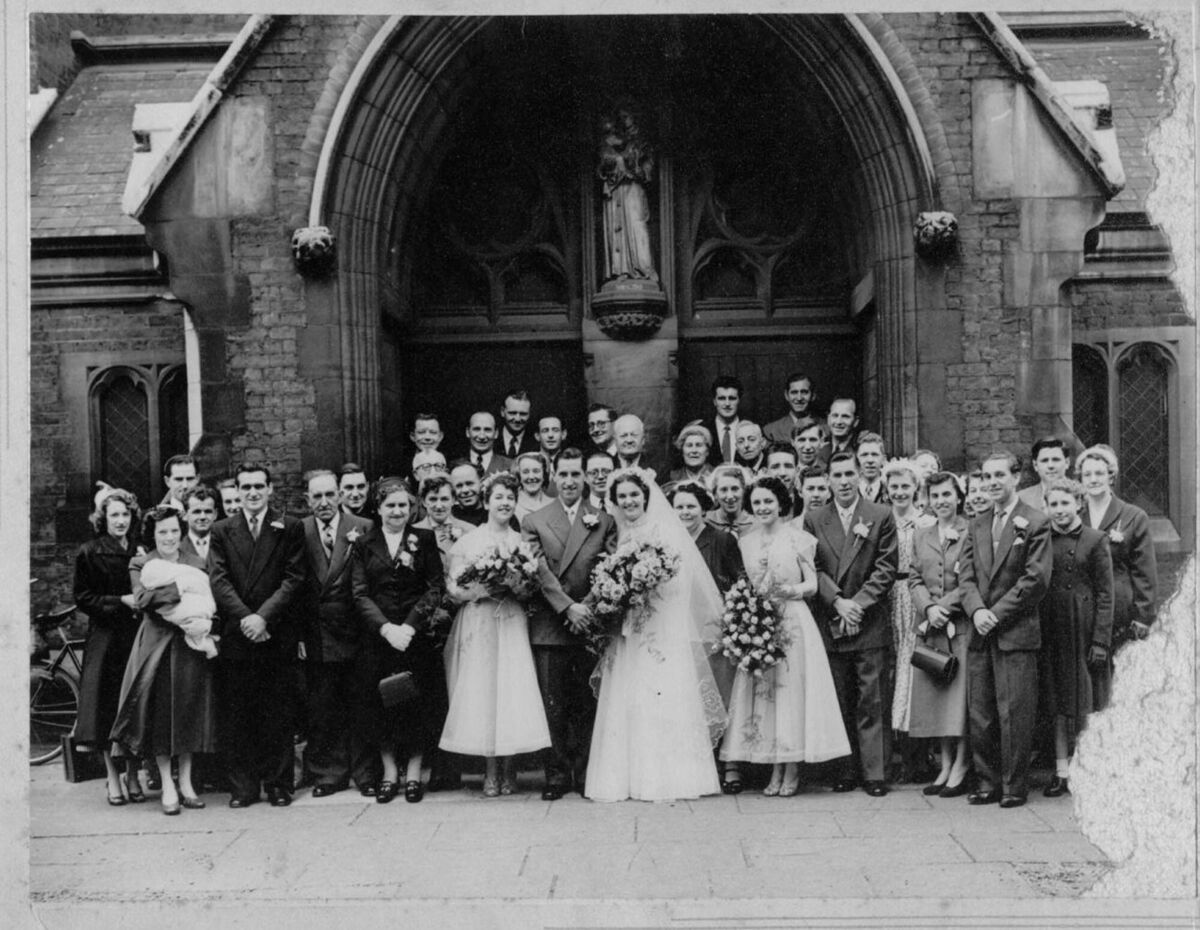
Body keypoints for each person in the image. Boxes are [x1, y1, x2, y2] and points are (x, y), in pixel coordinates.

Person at [585, 468, 728, 802]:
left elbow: (681, 582)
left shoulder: (663, 530)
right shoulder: (615, 533)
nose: (629, 501)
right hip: (628, 628)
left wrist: (646, 584)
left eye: (634, 495)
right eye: (622, 497)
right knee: (630, 697)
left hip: (659, 626)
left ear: (646, 497)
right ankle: (627, 777)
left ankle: (669, 778)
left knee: (660, 692)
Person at [718, 476, 850, 797]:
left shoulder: (799, 539)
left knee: (790, 692)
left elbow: (813, 585)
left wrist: (786, 591)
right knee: (767, 694)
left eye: (769, 502)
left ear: (781, 504)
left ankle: (791, 768)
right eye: (758, 502)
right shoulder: (745, 541)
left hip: (792, 620)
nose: (763, 508)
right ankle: (773, 767)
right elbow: (744, 583)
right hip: (759, 621)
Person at [440, 473, 551, 796]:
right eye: (498, 497)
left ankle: (510, 768)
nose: (504, 503)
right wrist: (481, 588)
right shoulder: (469, 541)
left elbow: (532, 587)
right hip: (481, 620)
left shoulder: (521, 542)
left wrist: (516, 584)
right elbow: (453, 588)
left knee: (512, 691)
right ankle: (490, 770)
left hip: (511, 620)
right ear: (486, 501)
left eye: (509, 498)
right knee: (485, 692)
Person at [208, 463, 307, 808]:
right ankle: (244, 787)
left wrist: (263, 617)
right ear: (237, 491)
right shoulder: (222, 530)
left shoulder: (289, 527)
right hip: (239, 634)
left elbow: (294, 578)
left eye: (258, 487)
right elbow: (218, 580)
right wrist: (247, 618)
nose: (252, 493)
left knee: (277, 712)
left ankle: (279, 784)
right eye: (245, 487)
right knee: (240, 714)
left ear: (269, 490)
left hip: (275, 632)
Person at [521, 448, 618, 800]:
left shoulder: (603, 519)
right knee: (554, 703)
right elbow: (538, 570)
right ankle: (557, 773)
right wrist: (567, 607)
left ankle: (586, 770)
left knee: (587, 701)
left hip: (589, 623)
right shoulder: (534, 519)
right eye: (563, 474)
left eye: (576, 474)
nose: (570, 481)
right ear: (553, 476)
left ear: (586, 477)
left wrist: (586, 607)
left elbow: (610, 566)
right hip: (552, 623)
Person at [110, 506, 218, 815]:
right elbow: (143, 599)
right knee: (160, 712)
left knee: (187, 709)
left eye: (174, 531)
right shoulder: (142, 563)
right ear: (152, 535)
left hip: (189, 644)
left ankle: (185, 783)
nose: (170, 537)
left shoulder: (196, 562)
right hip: (157, 644)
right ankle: (167, 786)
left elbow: (209, 599)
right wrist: (181, 587)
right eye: (162, 532)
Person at [959, 450, 1052, 809]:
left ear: (1016, 478)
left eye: (1000, 475)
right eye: (986, 476)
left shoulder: (1035, 521)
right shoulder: (977, 523)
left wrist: (994, 613)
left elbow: (1036, 579)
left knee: (1014, 711)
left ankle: (1015, 785)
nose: (992, 483)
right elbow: (964, 575)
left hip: (1015, 631)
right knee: (981, 712)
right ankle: (987, 781)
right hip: (980, 630)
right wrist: (976, 610)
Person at [803, 452, 898, 797]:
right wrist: (837, 602)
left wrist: (857, 605)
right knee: (841, 699)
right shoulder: (815, 519)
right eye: (837, 475)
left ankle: (875, 773)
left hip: (868, 619)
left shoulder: (880, 515)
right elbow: (812, 567)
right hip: (832, 618)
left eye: (849, 474)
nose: (843, 481)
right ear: (827, 480)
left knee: (871, 700)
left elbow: (886, 567)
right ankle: (845, 769)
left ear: (860, 476)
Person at [353, 478, 447, 804]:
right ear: (378, 509)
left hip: (414, 638)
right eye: (390, 505)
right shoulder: (364, 544)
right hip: (379, 640)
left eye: (403, 505)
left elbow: (435, 586)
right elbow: (359, 593)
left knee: (417, 704)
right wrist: (385, 628)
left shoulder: (424, 538)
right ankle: (390, 771)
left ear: (411, 508)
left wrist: (409, 626)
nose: (397, 511)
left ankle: (416, 770)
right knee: (381, 706)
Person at [298, 469, 375, 799]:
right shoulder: (298, 531)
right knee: (323, 706)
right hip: (317, 631)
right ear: (307, 500)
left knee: (361, 704)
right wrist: (299, 635)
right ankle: (329, 773)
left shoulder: (363, 528)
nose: (324, 502)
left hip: (356, 629)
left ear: (341, 495)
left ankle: (365, 771)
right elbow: (295, 588)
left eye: (330, 494)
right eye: (317, 496)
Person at [1040, 477, 1114, 798]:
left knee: (1084, 700)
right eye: (1053, 504)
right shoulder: (1041, 538)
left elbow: (1105, 593)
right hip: (1051, 627)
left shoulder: (1096, 540)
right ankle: (1061, 770)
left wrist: (1100, 639)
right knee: (1057, 702)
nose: (1059, 510)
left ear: (1078, 504)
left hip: (1082, 628)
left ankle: (1087, 768)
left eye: (1065, 503)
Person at [73, 485, 143, 805]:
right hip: (105, 638)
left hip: (135, 636)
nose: (120, 520)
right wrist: (120, 601)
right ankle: (112, 779)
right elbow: (83, 598)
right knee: (106, 708)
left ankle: (132, 774)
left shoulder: (140, 550)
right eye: (114, 515)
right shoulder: (89, 552)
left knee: (131, 706)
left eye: (125, 514)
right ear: (103, 518)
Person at [1076, 443, 1157, 709]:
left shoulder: (1133, 516)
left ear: (1111, 476)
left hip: (1120, 608)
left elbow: (1144, 571)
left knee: (1118, 676)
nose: (1094, 480)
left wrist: (1143, 616)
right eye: (1087, 475)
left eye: (1100, 473)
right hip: (1082, 606)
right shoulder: (1075, 514)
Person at [908, 471, 972, 797]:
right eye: (935, 496)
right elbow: (914, 577)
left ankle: (961, 764)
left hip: (959, 626)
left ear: (958, 496)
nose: (941, 501)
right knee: (938, 699)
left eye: (947, 495)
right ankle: (945, 764)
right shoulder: (922, 534)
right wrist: (927, 608)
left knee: (958, 700)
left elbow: (973, 579)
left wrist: (943, 607)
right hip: (931, 627)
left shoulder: (970, 531)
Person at [882, 459, 935, 768]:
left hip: (915, 595)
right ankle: (895, 751)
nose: (900, 492)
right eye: (894, 487)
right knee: (891, 668)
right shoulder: (882, 519)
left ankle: (919, 752)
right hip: (888, 595)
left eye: (905, 486)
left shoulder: (926, 523)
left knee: (914, 666)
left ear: (916, 488)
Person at [413, 474, 474, 557]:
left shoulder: (470, 530)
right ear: (424, 501)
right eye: (433, 499)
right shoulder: (413, 532)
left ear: (454, 500)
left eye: (444, 499)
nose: (438, 506)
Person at [763, 371, 819, 445]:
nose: (799, 398)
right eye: (794, 392)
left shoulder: (827, 428)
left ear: (813, 395)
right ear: (786, 395)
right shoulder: (771, 431)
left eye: (804, 392)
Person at [1018, 437, 1071, 513]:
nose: (1050, 466)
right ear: (1035, 465)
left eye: (1056, 459)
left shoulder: (1083, 494)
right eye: (1044, 461)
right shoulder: (1022, 499)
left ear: (1067, 463)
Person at [706, 464, 755, 537]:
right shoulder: (705, 521)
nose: (730, 496)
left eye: (735, 489)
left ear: (744, 491)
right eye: (724, 490)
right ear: (715, 494)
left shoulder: (755, 523)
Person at [667, 421, 715, 488]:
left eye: (699, 445)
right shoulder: (673, 477)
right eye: (689, 445)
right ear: (682, 451)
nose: (694, 450)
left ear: (707, 451)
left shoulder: (716, 475)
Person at [465, 411, 513, 476]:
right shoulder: (454, 466)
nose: (482, 436)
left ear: (496, 433)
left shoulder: (510, 466)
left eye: (487, 430)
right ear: (468, 432)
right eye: (476, 429)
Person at [709, 375, 743, 465]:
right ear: (714, 401)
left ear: (739, 400)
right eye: (722, 398)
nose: (727, 403)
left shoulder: (750, 428)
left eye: (732, 398)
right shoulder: (704, 428)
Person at [514, 451, 555, 522]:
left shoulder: (554, 503)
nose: (531, 476)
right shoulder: (512, 503)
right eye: (525, 472)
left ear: (544, 474)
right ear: (519, 475)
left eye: (536, 471)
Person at [498, 390, 536, 459]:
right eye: (512, 413)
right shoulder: (492, 438)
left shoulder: (536, 441)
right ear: (502, 412)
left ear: (530, 413)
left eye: (523, 414)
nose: (517, 419)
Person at [448, 460, 486, 525]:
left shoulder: (493, 514)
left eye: (469, 483)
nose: (465, 490)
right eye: (459, 486)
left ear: (481, 483)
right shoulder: (448, 517)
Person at [856, 433, 888, 504]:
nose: (870, 460)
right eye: (864, 455)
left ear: (883, 460)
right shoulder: (850, 492)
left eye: (874, 455)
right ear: (857, 459)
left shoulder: (890, 491)